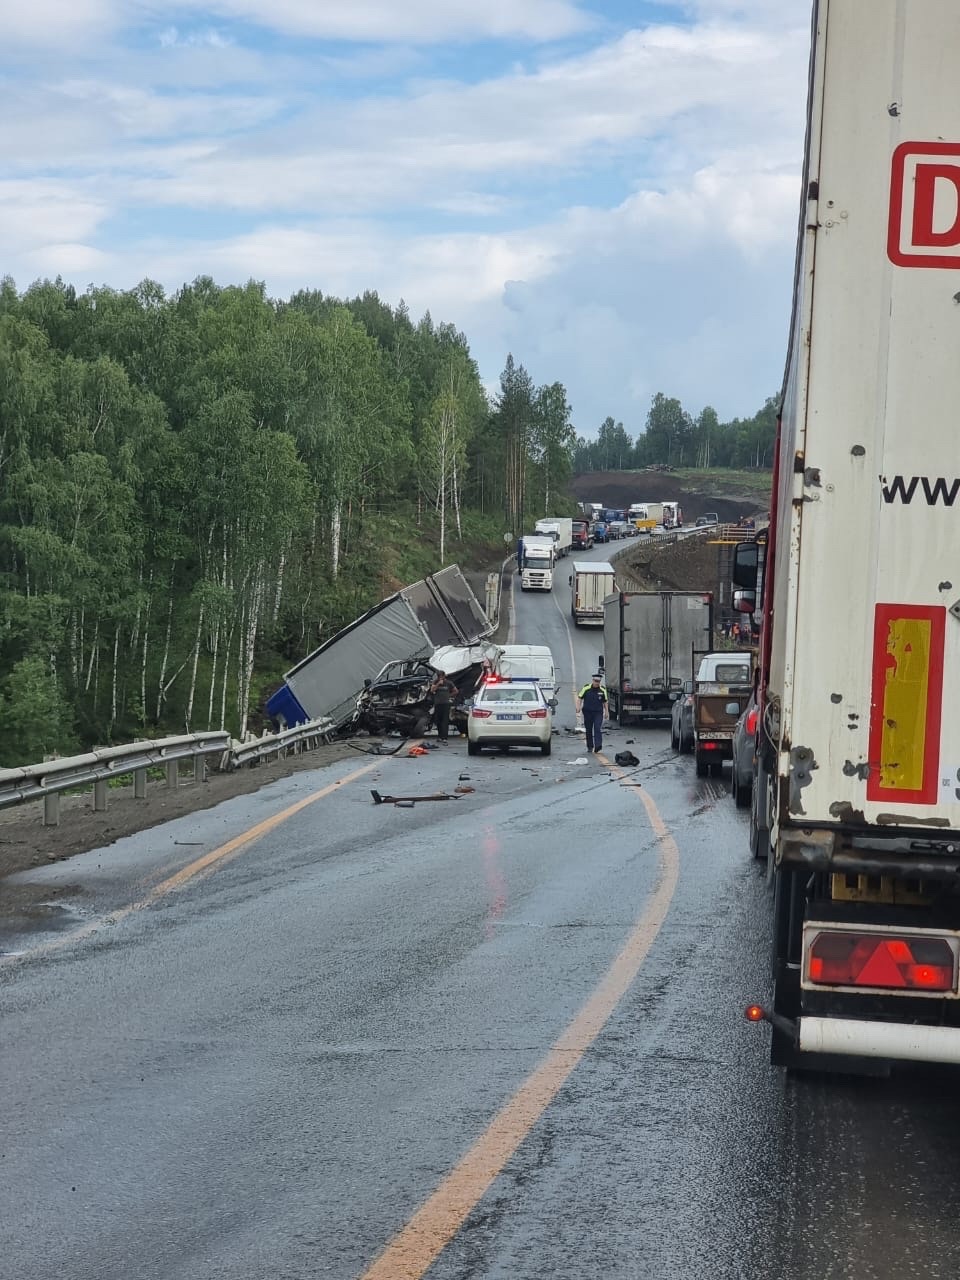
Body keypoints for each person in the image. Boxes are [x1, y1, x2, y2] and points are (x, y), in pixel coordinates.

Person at [576, 673, 609, 753]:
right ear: (593, 680)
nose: (596, 683)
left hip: (598, 712)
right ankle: (590, 746)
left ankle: (598, 746)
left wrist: (606, 712)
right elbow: (580, 698)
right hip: (587, 712)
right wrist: (578, 707)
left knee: (597, 728)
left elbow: (605, 702)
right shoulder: (586, 688)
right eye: (595, 681)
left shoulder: (602, 690)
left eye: (598, 681)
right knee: (589, 729)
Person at [429, 673, 458, 743]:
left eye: (442, 676)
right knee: (438, 721)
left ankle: (444, 737)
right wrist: (438, 684)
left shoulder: (449, 683)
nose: (441, 677)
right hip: (438, 703)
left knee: (445, 721)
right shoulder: (435, 682)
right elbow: (432, 690)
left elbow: (456, 691)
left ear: (444, 676)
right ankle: (440, 736)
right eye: (439, 676)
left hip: (446, 704)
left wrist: (449, 695)